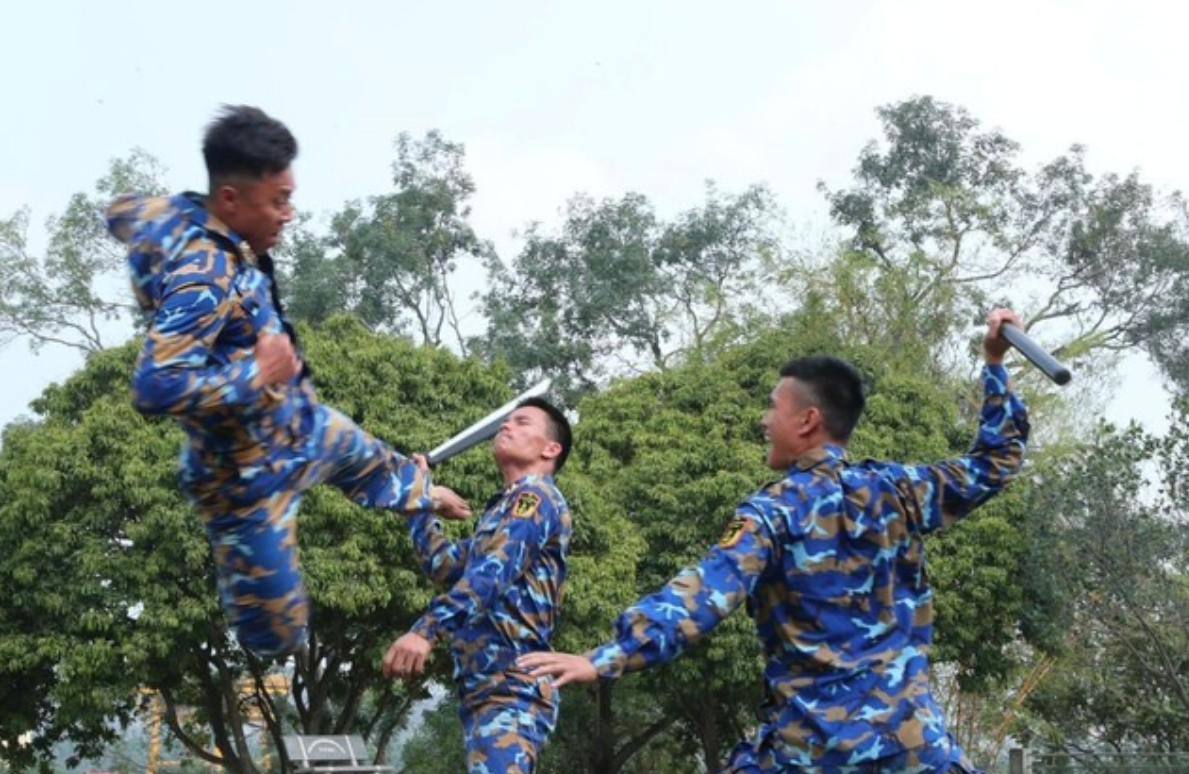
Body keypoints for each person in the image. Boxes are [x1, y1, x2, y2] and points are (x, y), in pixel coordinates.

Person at [519, 309, 1031, 774]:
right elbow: (996, 462)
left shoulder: (772, 512)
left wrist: (606, 657)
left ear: (807, 420)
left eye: (772, 407)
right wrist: (994, 363)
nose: (764, 420)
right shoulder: (900, 490)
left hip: (815, 750)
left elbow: (702, 595)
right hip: (912, 747)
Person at [105, 105, 471, 658]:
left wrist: (124, 218)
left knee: (375, 462)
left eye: (290, 197)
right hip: (249, 475)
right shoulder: (203, 276)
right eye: (277, 201)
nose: (288, 214)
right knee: (277, 636)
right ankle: (265, 608)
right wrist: (257, 372)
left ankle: (423, 493)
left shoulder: (173, 213)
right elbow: (154, 387)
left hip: (306, 426)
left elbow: (122, 212)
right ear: (231, 199)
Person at [383, 396, 574, 774]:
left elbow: (491, 574)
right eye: (507, 420)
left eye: (522, 422)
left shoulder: (535, 498)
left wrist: (426, 629)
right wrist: (420, 501)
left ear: (550, 449)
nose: (506, 425)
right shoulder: (504, 513)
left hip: (512, 686)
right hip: (487, 689)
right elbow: (444, 565)